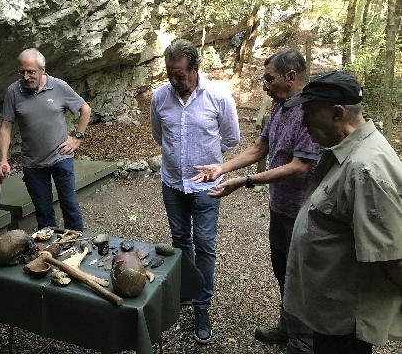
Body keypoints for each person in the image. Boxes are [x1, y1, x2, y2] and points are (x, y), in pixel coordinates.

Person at [193, 49, 319, 353]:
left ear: (290, 77)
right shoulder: (280, 106)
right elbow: (260, 148)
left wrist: (246, 181)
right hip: (280, 207)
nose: (264, 85)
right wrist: (222, 168)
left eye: (269, 78)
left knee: (302, 278)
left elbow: (300, 166)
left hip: (304, 212)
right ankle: (287, 327)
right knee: (282, 270)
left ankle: (304, 344)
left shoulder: (312, 111)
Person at [283, 71, 402, 354]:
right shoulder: (346, 150)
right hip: (330, 314)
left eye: (309, 113)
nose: (303, 122)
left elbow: (393, 258)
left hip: (344, 323)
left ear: (337, 113)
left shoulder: (366, 169)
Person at [150, 39, 240, 344]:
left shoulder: (217, 96)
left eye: (180, 75)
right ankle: (186, 291)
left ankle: (202, 307)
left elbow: (231, 139)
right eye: (170, 74)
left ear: (195, 69)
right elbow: (159, 136)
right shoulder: (160, 97)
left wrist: (209, 162)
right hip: (172, 183)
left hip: (206, 187)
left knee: (204, 244)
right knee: (179, 240)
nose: (174, 81)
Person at [0, 48, 91, 232]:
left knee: (70, 207)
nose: (25, 76)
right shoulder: (13, 92)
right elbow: (6, 126)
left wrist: (77, 138)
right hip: (32, 164)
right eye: (22, 71)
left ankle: (78, 247)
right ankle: (49, 252)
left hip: (61, 157)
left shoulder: (59, 86)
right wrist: (3, 159)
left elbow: (85, 109)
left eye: (31, 72)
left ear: (42, 70)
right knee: (44, 212)